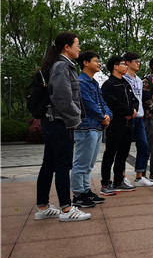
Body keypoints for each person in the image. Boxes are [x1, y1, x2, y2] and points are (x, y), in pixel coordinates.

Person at [34, 32, 91, 222]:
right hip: (59, 122)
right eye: (77, 44)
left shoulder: (61, 65)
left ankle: (43, 207)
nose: (79, 48)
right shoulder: (61, 66)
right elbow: (62, 98)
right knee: (62, 165)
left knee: (49, 164)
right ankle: (66, 209)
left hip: (55, 121)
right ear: (67, 47)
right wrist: (74, 120)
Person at [71, 51, 113, 207]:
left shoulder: (94, 83)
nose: (99, 63)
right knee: (81, 163)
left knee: (88, 165)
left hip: (96, 127)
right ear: (86, 63)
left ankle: (86, 191)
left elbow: (103, 103)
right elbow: (88, 104)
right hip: (86, 127)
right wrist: (103, 117)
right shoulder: (80, 82)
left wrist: (108, 115)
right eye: (96, 61)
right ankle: (78, 195)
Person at [100, 56, 138, 194]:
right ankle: (105, 183)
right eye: (123, 64)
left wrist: (133, 111)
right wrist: (128, 112)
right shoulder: (108, 85)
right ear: (115, 66)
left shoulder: (126, 83)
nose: (126, 66)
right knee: (110, 153)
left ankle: (118, 181)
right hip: (115, 124)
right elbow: (112, 103)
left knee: (123, 153)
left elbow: (134, 100)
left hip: (128, 123)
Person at [123, 52, 153, 187]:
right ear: (128, 63)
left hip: (139, 118)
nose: (139, 63)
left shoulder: (139, 80)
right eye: (136, 61)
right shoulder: (122, 79)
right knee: (123, 148)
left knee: (144, 146)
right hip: (127, 118)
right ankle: (122, 176)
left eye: (139, 61)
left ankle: (139, 176)